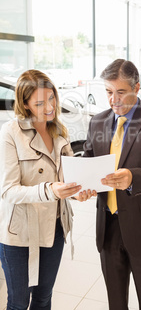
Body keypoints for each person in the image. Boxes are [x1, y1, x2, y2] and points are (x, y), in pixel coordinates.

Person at [83, 59, 141, 310]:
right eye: (109, 92)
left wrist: (132, 177)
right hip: (109, 228)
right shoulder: (98, 122)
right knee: (116, 303)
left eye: (121, 92)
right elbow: (89, 161)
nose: (114, 99)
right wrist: (81, 185)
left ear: (136, 88)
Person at [0, 69, 94, 310]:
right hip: (19, 234)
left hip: (54, 228)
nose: (49, 107)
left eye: (51, 98)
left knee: (43, 298)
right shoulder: (10, 133)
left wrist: (78, 191)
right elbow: (8, 190)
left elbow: (68, 178)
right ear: (25, 104)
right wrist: (50, 190)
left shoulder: (60, 131)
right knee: (19, 302)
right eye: (40, 103)